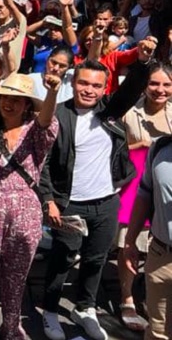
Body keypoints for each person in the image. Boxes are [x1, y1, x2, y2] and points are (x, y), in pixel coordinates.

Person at [40, 38, 157, 340]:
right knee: (61, 260)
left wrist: (142, 62)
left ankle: (85, 308)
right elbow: (43, 164)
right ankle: (50, 311)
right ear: (74, 83)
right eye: (83, 84)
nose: (89, 90)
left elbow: (132, 88)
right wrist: (49, 201)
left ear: (104, 88)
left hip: (106, 202)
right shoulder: (58, 115)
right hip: (70, 204)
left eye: (96, 85)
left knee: (96, 260)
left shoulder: (109, 111)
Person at [0, 73, 61, 339]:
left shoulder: (35, 131)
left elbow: (47, 120)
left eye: (18, 100)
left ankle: (10, 330)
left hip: (24, 209)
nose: (10, 103)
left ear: (27, 104)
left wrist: (52, 92)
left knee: (15, 278)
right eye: (6, 97)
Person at [115, 62, 172, 332]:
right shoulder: (129, 110)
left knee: (156, 245)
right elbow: (114, 148)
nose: (160, 90)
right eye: (154, 84)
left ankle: (151, 295)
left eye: (166, 85)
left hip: (165, 186)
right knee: (131, 242)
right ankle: (127, 297)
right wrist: (141, 145)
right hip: (135, 181)